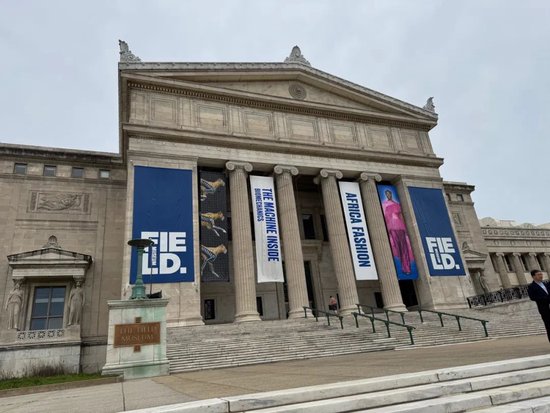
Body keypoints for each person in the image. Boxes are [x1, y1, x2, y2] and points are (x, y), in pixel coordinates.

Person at [381, 189, 414, 274]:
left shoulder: (396, 204)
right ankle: (402, 267)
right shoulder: (384, 204)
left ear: (391, 194)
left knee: (404, 248)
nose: (388, 195)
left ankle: (407, 268)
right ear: (386, 195)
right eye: (387, 194)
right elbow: (385, 218)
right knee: (397, 248)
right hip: (392, 228)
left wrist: (405, 229)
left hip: (400, 227)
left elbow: (401, 216)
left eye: (389, 194)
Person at [527, 269, 550, 342]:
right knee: (549, 326)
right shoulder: (531, 287)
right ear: (533, 276)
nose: (541, 276)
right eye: (538, 274)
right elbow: (533, 297)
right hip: (544, 309)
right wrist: (546, 299)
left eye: (541, 274)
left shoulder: (546, 284)